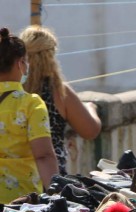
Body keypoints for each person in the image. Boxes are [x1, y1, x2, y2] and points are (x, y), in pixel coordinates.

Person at [20, 25, 101, 176]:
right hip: (50, 177)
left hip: (12, 176)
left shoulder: (12, 90)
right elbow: (90, 130)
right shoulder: (58, 91)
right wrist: (91, 107)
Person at [0, 27, 58, 204]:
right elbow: (43, 155)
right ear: (20, 64)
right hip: (20, 201)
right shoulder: (30, 104)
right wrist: (57, 194)